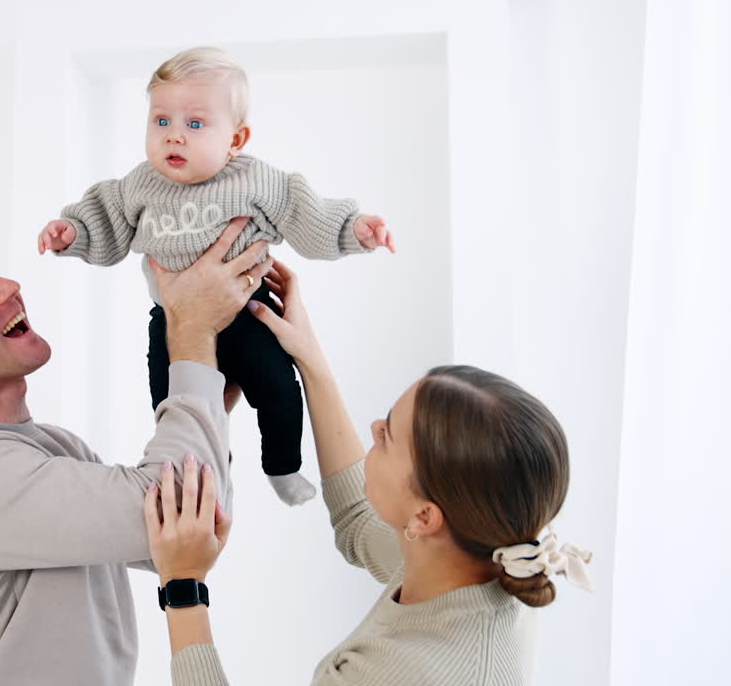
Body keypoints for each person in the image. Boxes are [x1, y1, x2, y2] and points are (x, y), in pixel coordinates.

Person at [0, 219, 272, 686]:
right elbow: (173, 507)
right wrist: (192, 331)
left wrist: (209, 390)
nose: (8, 286)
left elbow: (184, 537)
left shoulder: (52, 447)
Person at [143, 260, 594, 685]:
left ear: (424, 517)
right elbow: (360, 522)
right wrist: (306, 354)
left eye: (388, 436)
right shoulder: (485, 557)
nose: (374, 427)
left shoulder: (403, 672)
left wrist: (184, 586)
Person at [36, 46, 396, 506]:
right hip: (173, 321)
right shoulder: (138, 185)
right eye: (161, 121)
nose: (174, 137)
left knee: (281, 392)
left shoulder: (258, 182)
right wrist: (73, 232)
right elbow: (103, 219)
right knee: (176, 409)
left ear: (237, 139)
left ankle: (282, 466)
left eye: (195, 124)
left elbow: (307, 214)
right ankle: (211, 470)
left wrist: (354, 229)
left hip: (250, 314)